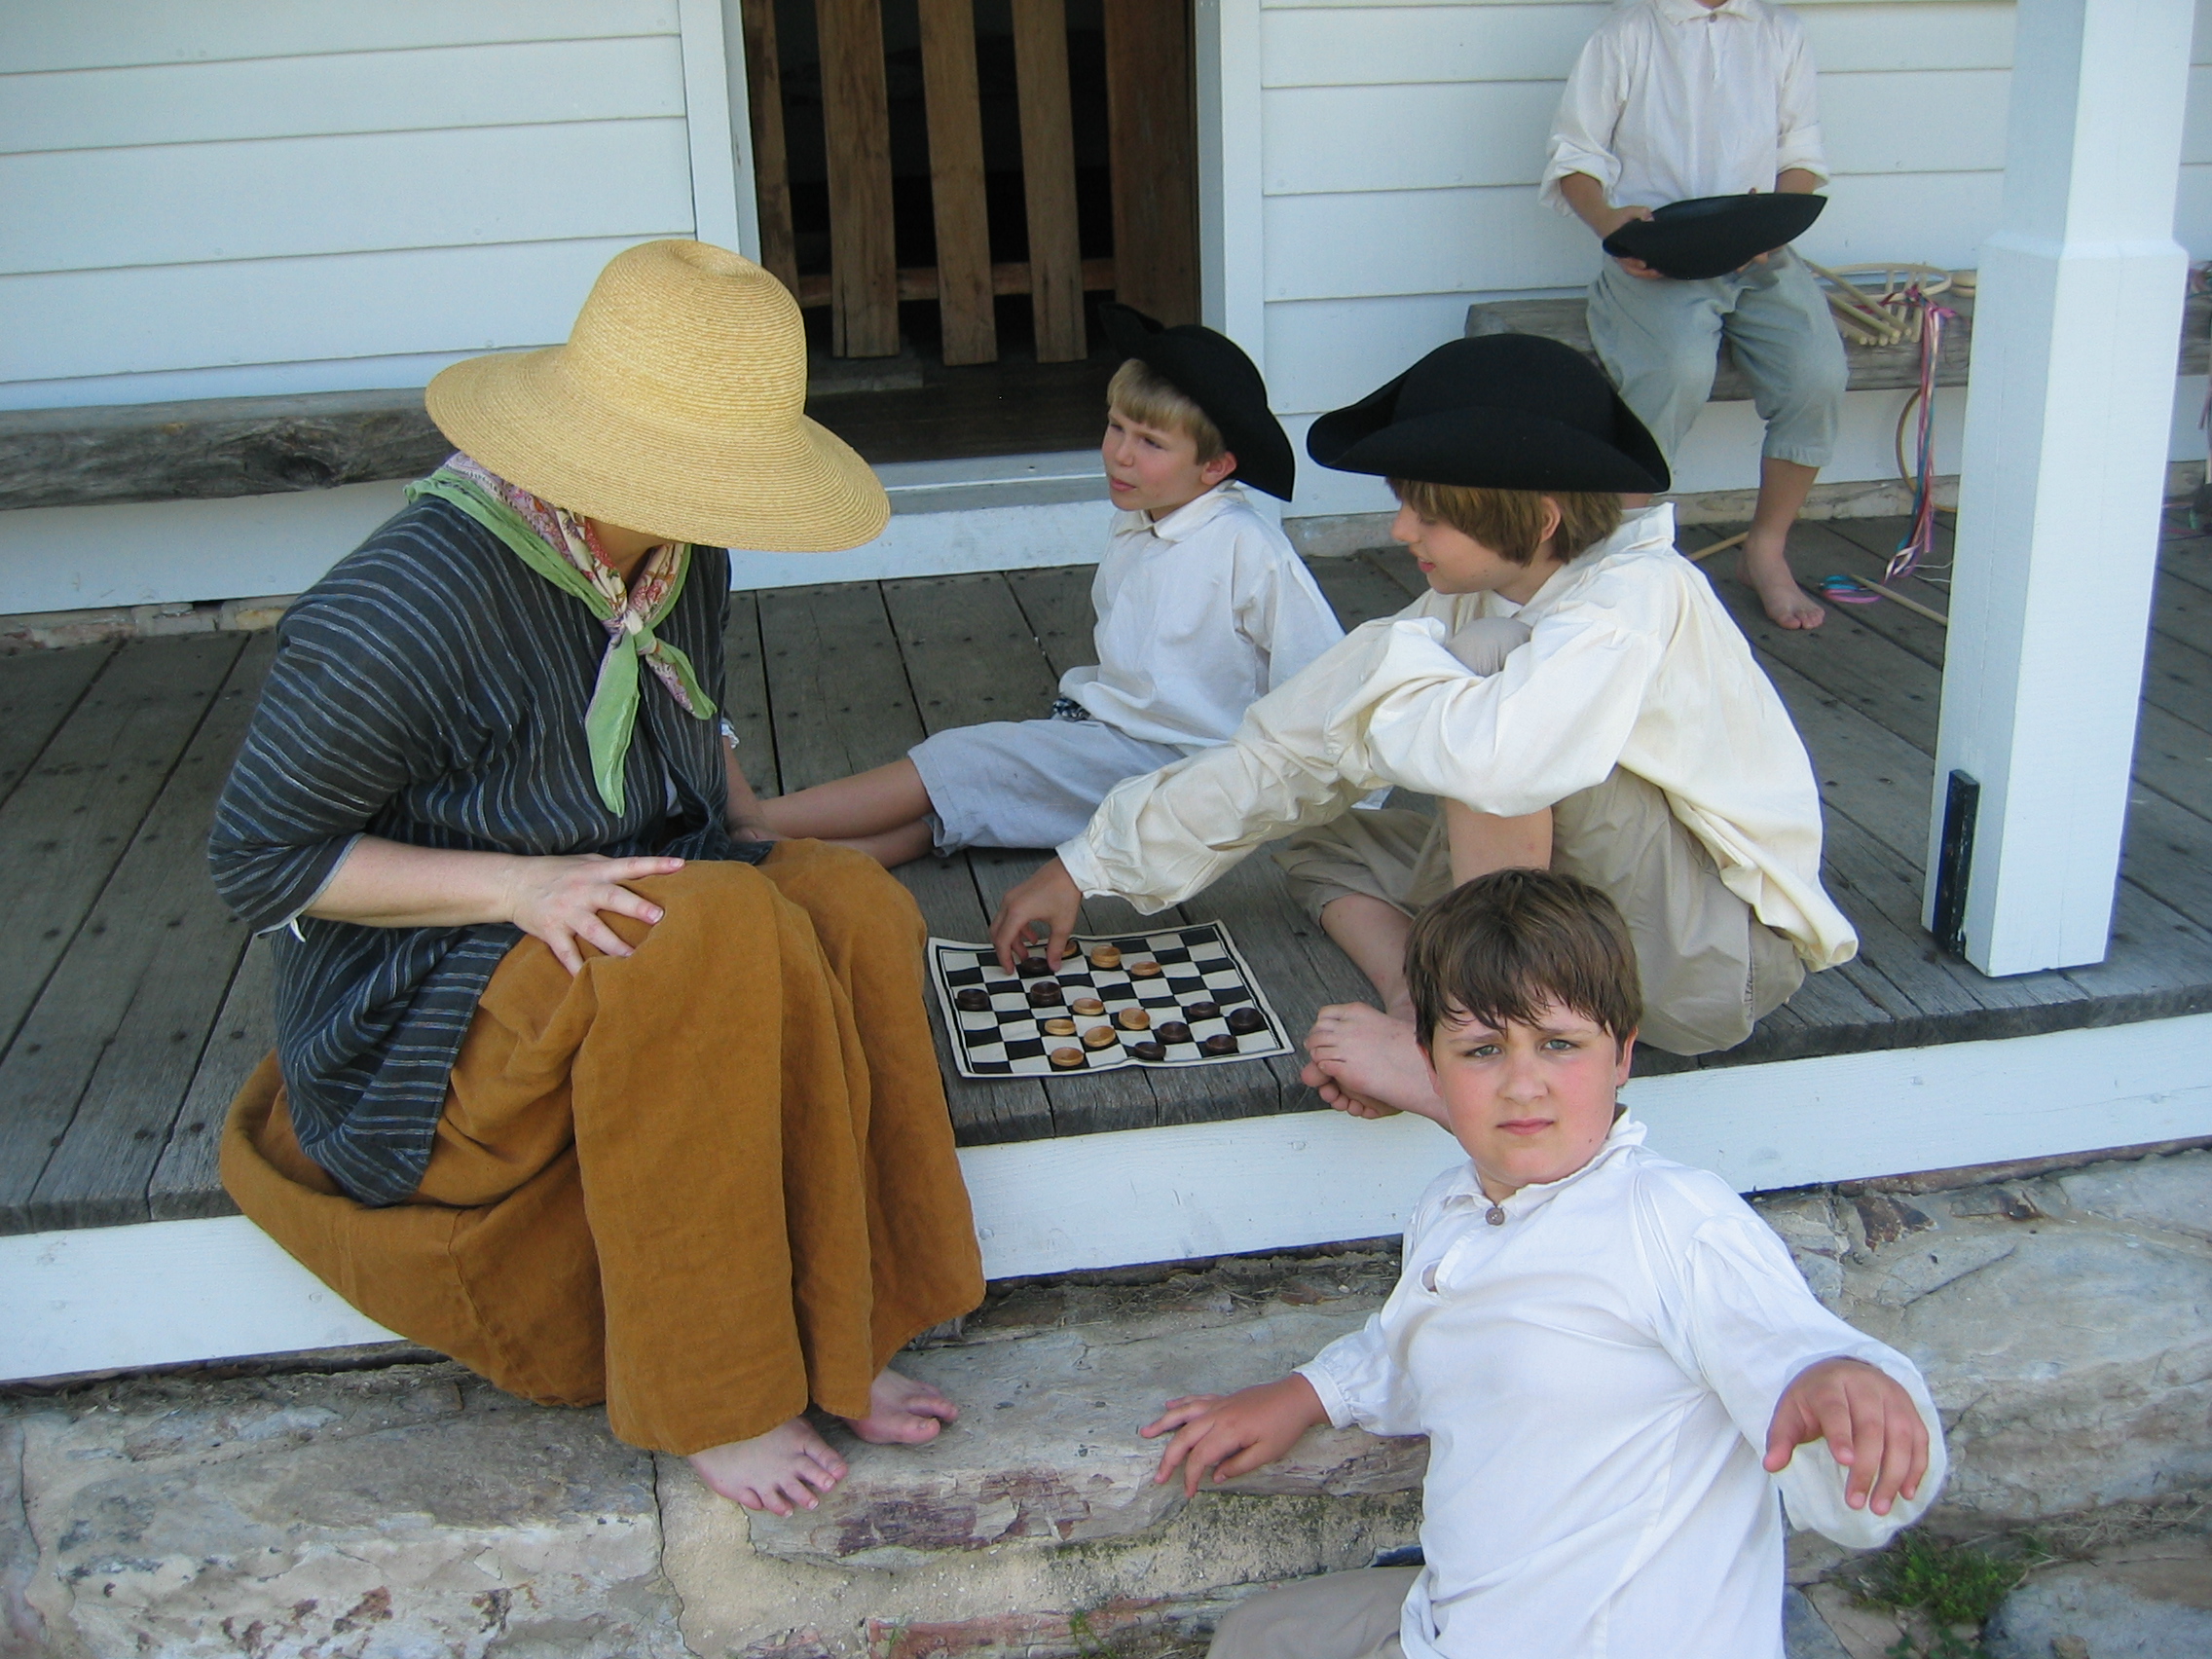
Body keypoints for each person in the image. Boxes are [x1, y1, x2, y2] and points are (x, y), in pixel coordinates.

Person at [209, 240, 984, 1519]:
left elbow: (679, 771)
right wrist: (520, 891)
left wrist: (763, 830)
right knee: (702, 935)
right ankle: (719, 1393)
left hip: (623, 896)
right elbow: (263, 863)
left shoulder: (682, 553)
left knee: (846, 900)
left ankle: (851, 1332)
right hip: (425, 1013)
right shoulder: (401, 608)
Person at [989, 335, 1857, 1122]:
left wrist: (1390, 678)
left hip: (1708, 962)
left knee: (1485, 713)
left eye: (1427, 513)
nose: (1401, 529)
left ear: (1539, 519)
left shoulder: (1633, 598)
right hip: (1591, 924)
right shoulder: (1475, 597)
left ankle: (1479, 1035)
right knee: (1315, 836)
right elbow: (1291, 749)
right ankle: (1422, 1004)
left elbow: (1496, 760)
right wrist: (1085, 863)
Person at [1142, 869, 1943, 1659]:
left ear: (1622, 1053)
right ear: (1430, 1063)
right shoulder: (1450, 1208)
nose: (1523, 1083)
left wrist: (1849, 1391)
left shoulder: (1676, 1226)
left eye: (1559, 1045)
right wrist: (1308, 1393)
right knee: (1256, 1638)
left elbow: (1794, 1365)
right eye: (1483, 1050)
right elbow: (1426, 1339)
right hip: (1461, 1620)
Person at [759, 304, 1342, 865]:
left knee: (965, 760)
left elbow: (1325, 675)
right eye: (1117, 427)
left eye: (1151, 443)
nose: (1121, 455)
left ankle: (757, 822)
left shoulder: (1246, 546)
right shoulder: (1139, 519)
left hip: (1183, 766)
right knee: (953, 813)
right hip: (1115, 739)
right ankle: (760, 856)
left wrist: (1323, 803)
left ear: (1215, 467)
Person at [1544, 0, 1848, 630]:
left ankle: (1765, 548)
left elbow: (1802, 154)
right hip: (1656, 254)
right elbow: (1575, 154)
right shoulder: (1627, 34)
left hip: (1759, 251)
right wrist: (1610, 224)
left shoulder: (1781, 33)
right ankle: (1617, 554)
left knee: (1817, 373)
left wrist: (1772, 222)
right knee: (1677, 369)